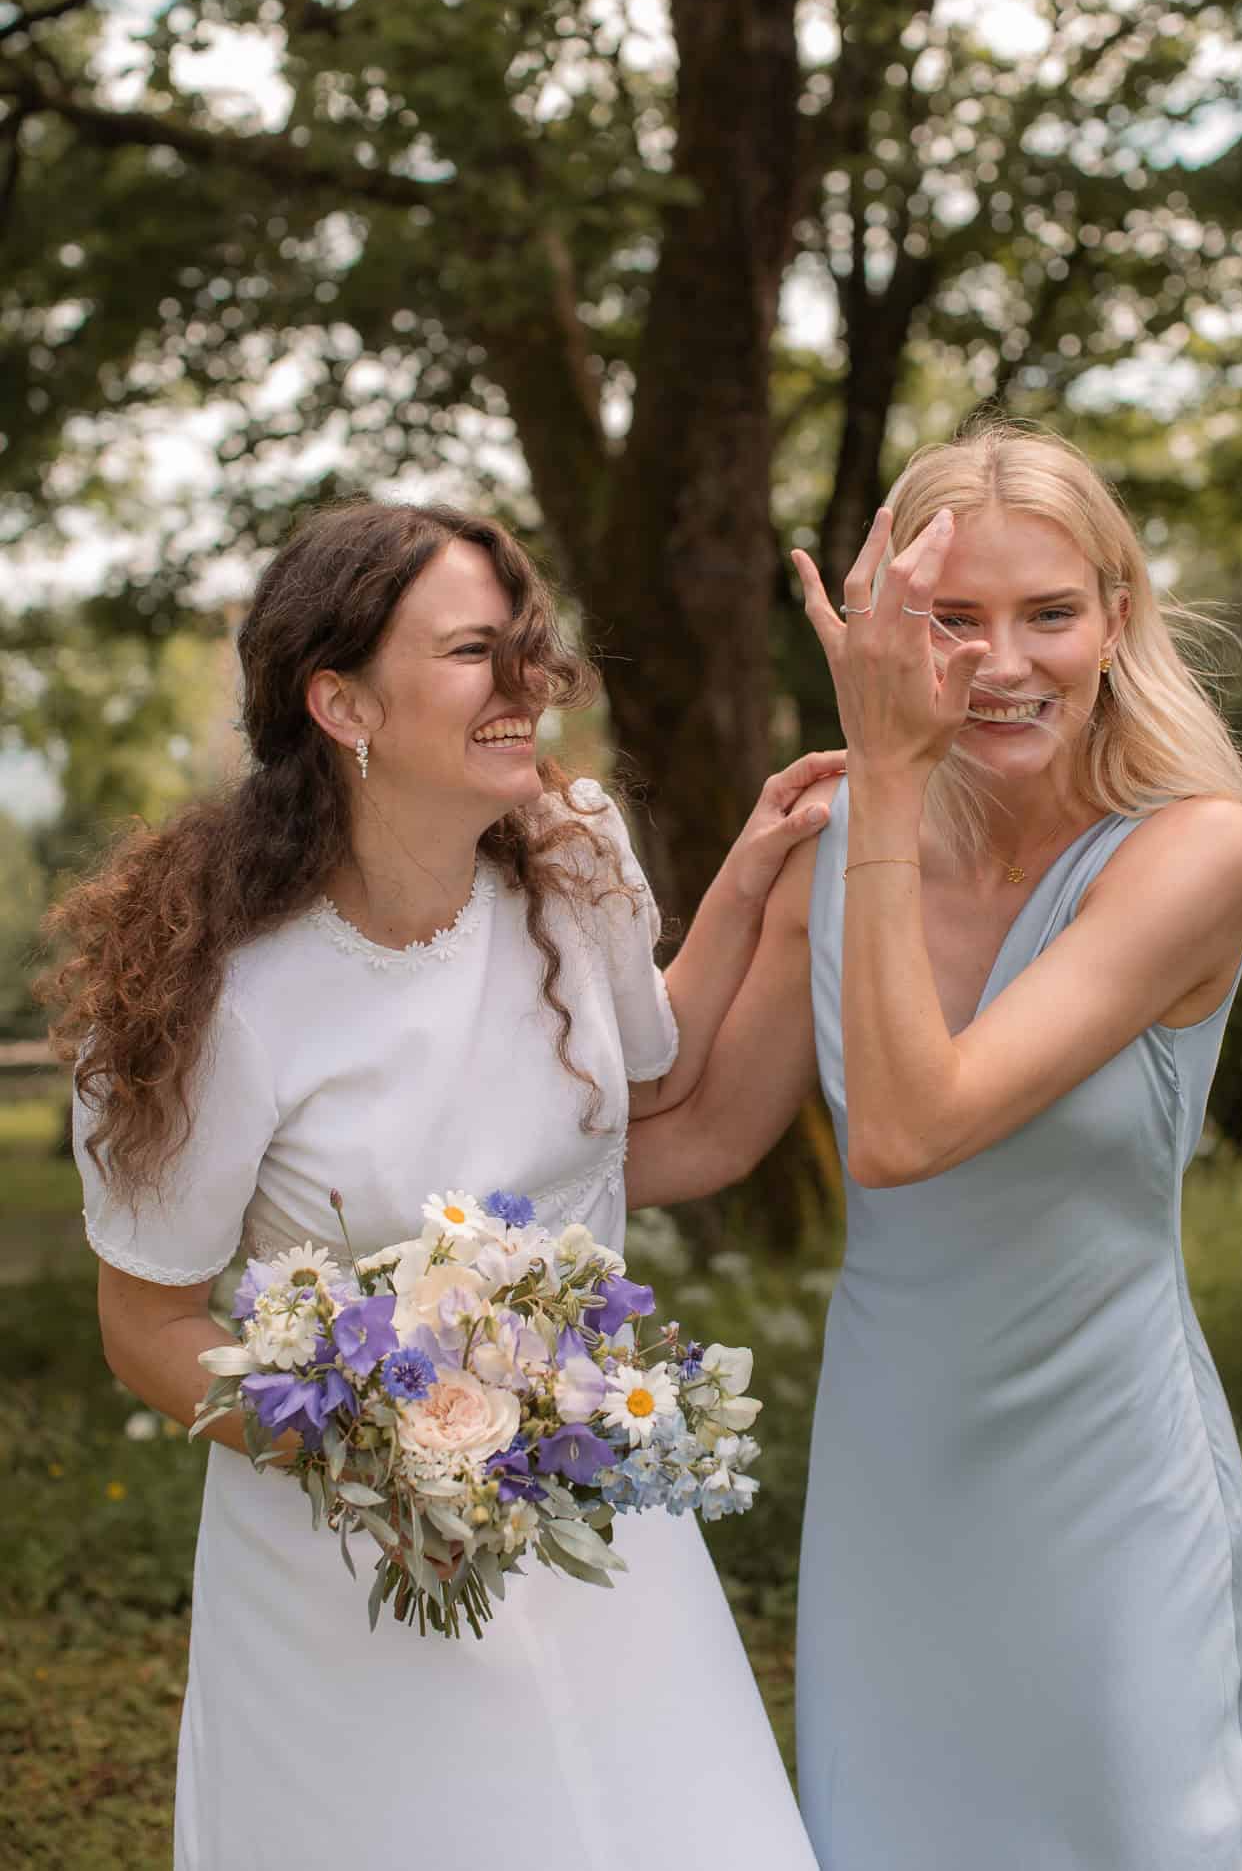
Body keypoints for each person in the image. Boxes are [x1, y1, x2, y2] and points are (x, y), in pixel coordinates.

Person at [44, 500, 833, 1871]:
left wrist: (756, 881)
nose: (527, 679)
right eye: (473, 652)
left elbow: (644, 1082)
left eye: (525, 643)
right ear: (341, 704)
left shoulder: (573, 859)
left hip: (595, 1516)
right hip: (358, 1562)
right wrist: (391, 1462)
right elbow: (147, 1323)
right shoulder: (215, 993)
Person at [626, 421, 1242, 1869]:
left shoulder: (1197, 850)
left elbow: (911, 1130)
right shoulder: (845, 837)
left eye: (1049, 613)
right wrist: (403, 1216)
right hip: (893, 1464)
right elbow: (701, 1137)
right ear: (887, 631)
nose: (1001, 662)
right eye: (952, 619)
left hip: (1107, 1466)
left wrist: (887, 779)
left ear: (1117, 618)